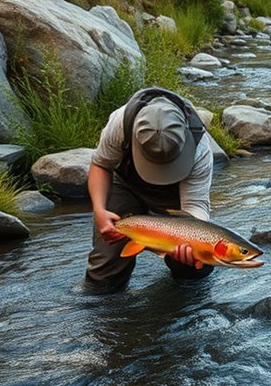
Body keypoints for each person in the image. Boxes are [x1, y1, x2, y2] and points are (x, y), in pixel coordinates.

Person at [84, 87, 215, 293]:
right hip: (124, 186)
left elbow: (196, 206)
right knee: (103, 276)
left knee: (197, 265)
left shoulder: (200, 148)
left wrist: (189, 243)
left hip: (175, 197)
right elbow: (101, 165)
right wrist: (99, 211)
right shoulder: (121, 123)